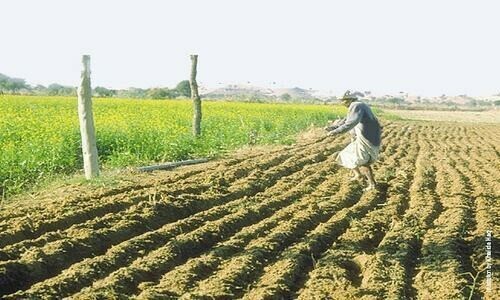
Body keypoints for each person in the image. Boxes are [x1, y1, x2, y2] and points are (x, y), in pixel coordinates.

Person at [325, 91, 381, 191]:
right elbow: (347, 120)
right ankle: (358, 175)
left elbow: (351, 123)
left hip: (367, 137)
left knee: (362, 161)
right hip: (366, 136)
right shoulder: (358, 105)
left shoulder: (356, 105)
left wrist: (336, 132)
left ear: (348, 100)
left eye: (342, 101)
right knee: (347, 154)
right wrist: (333, 128)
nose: (341, 103)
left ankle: (372, 184)